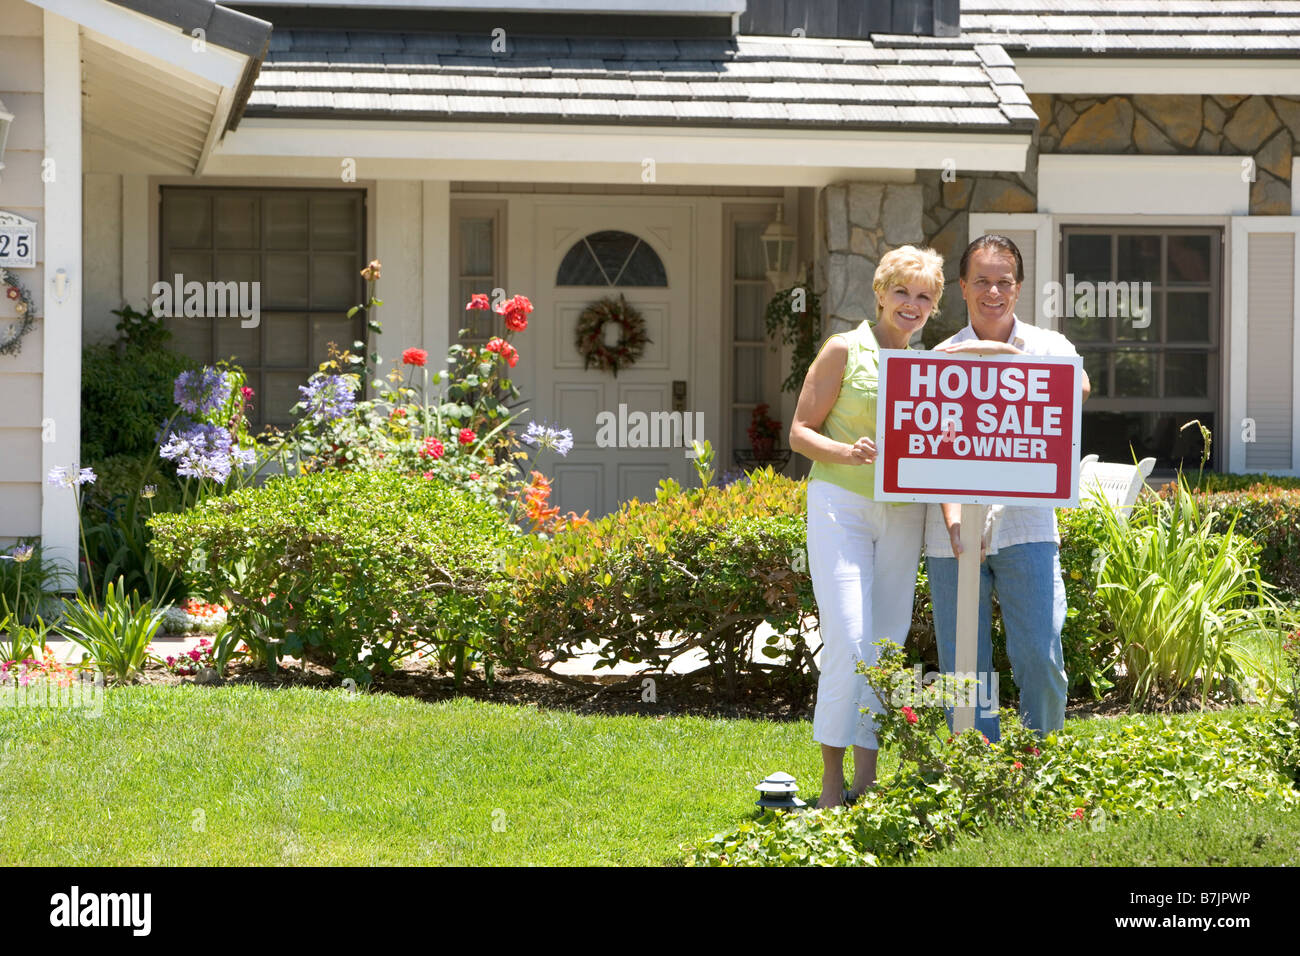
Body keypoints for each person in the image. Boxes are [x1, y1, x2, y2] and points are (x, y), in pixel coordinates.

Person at [790, 245, 945, 808]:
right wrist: (845, 451)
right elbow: (800, 432)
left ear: (933, 308)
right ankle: (832, 785)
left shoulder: (929, 369)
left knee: (884, 647)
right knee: (850, 642)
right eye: (902, 291)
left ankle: (867, 779)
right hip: (841, 506)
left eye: (924, 296)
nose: (911, 304)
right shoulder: (843, 349)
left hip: (904, 514)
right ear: (880, 293)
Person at [925, 235, 1091, 742]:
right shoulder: (938, 355)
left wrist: (998, 358)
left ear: (1018, 288)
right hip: (951, 532)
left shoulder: (1049, 347)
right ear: (962, 287)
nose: (992, 291)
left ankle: (1040, 765)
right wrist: (954, 523)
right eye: (981, 281)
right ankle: (978, 772)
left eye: (1003, 281)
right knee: (964, 669)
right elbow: (932, 455)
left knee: (1041, 654)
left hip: (1028, 525)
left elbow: (1078, 391)